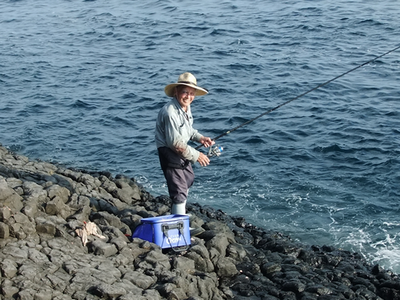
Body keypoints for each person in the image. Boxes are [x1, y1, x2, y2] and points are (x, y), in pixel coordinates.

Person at [155, 72, 214, 215]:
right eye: (185, 92)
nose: (188, 97)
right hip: (169, 151)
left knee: (188, 178)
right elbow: (176, 144)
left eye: (192, 93)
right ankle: (179, 227)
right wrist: (197, 155)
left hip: (181, 150)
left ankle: (177, 214)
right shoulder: (170, 112)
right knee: (179, 190)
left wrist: (200, 138)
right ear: (176, 92)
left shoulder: (185, 108)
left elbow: (188, 130)